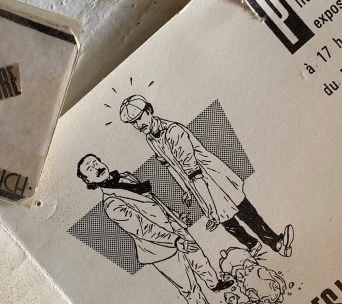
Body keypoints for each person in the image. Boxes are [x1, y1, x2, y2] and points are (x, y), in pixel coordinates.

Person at [77, 153, 232, 304]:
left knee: (198, 258)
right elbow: (143, 230)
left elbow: (154, 201)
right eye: (90, 169)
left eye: (96, 162)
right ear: (89, 181)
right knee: (188, 286)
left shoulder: (126, 177)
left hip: (174, 228)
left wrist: (176, 217)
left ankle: (216, 283)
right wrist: (175, 240)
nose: (97, 167)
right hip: (158, 249)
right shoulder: (111, 204)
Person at [119, 95, 293, 258]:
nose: (137, 125)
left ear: (149, 111)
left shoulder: (173, 132)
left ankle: (276, 243)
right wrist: (187, 190)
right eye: (133, 122)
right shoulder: (150, 139)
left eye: (139, 118)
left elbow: (194, 172)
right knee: (227, 221)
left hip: (212, 177)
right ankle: (252, 246)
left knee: (243, 211)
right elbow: (170, 166)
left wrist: (211, 210)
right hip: (195, 183)